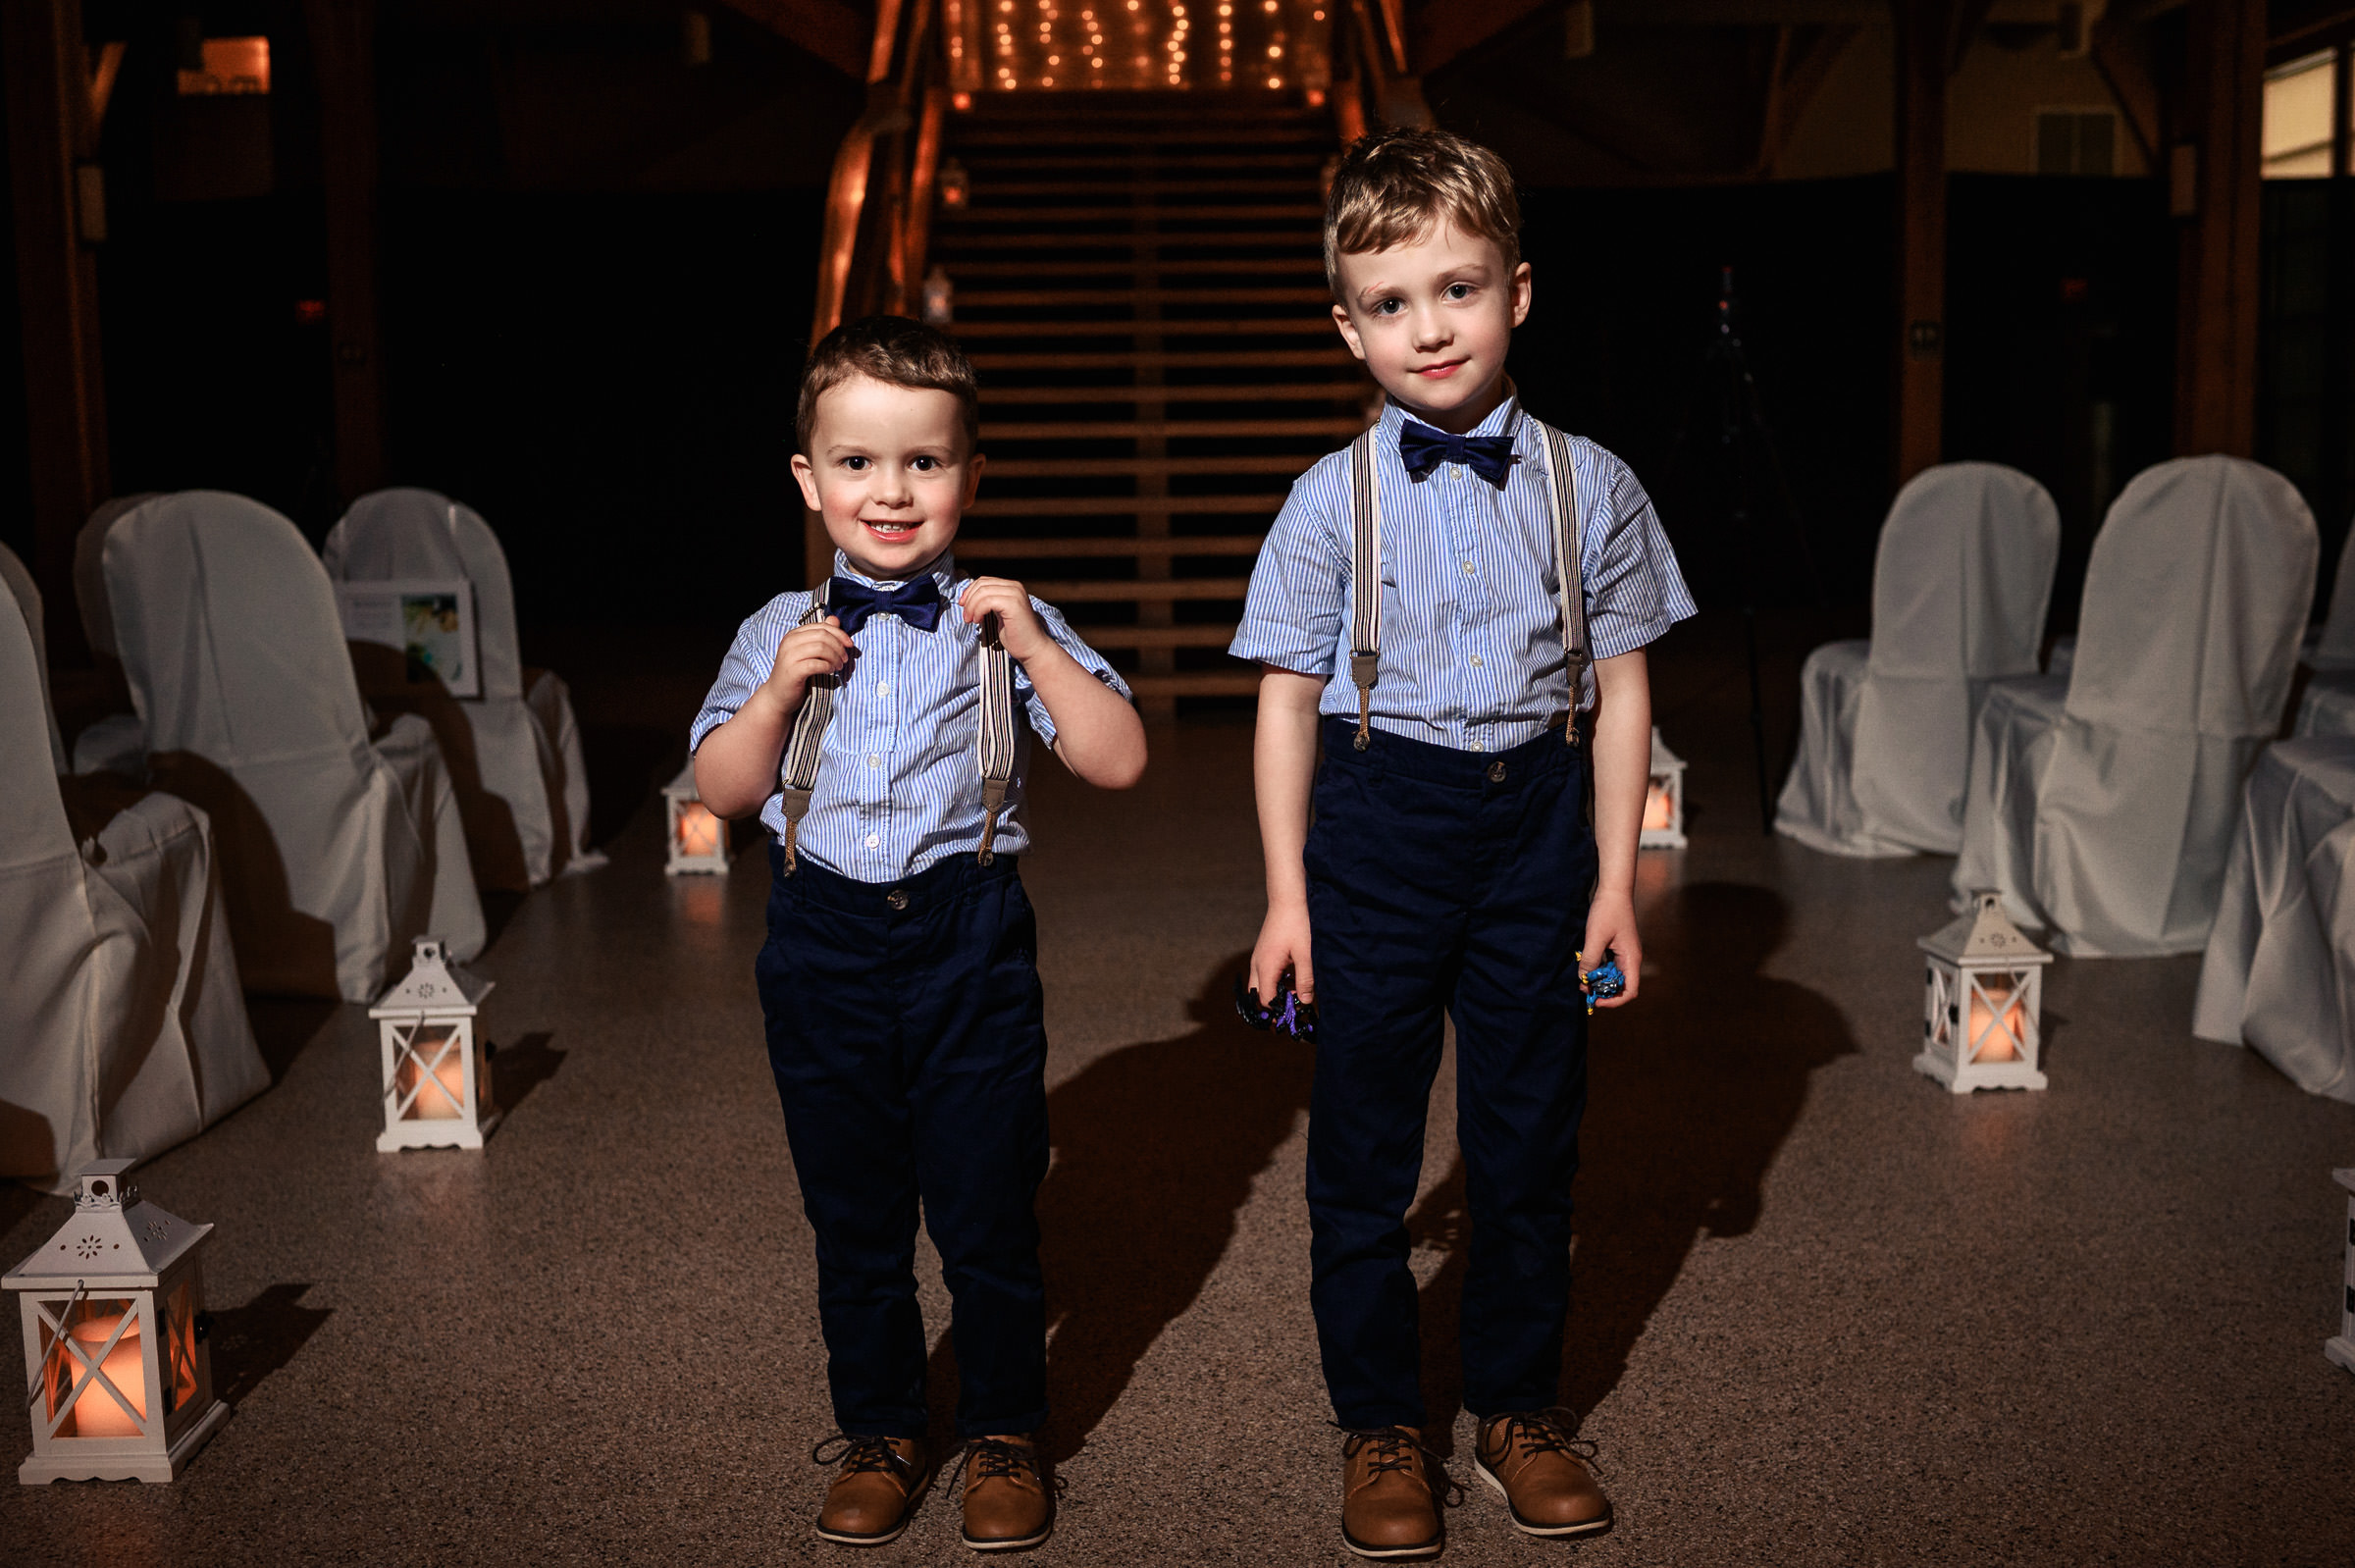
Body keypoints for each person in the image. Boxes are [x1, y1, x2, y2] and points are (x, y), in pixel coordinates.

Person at [1230, 128, 1696, 1558]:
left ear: (1520, 293)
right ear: (1347, 326)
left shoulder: (1594, 484)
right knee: (1364, 1147)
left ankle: (1516, 1406)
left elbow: (1622, 691)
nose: (1428, 327)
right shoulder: (1329, 500)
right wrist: (1285, 898)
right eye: (1390, 301)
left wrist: (1615, 881)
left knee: (1526, 1139)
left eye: (1459, 287)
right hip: (1380, 821)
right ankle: (1380, 1420)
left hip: (1541, 824)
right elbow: (1288, 704)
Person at [692, 315, 1147, 1551]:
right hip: (823, 936)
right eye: (857, 462)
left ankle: (1004, 1425)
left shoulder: (1004, 620)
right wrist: (781, 689)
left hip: (968, 934)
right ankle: (883, 1424)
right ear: (809, 479)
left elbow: (1119, 758)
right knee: (854, 1209)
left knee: (989, 1201)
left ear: (971, 476)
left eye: (924, 463)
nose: (890, 491)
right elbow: (725, 792)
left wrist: (1041, 645)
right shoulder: (774, 628)